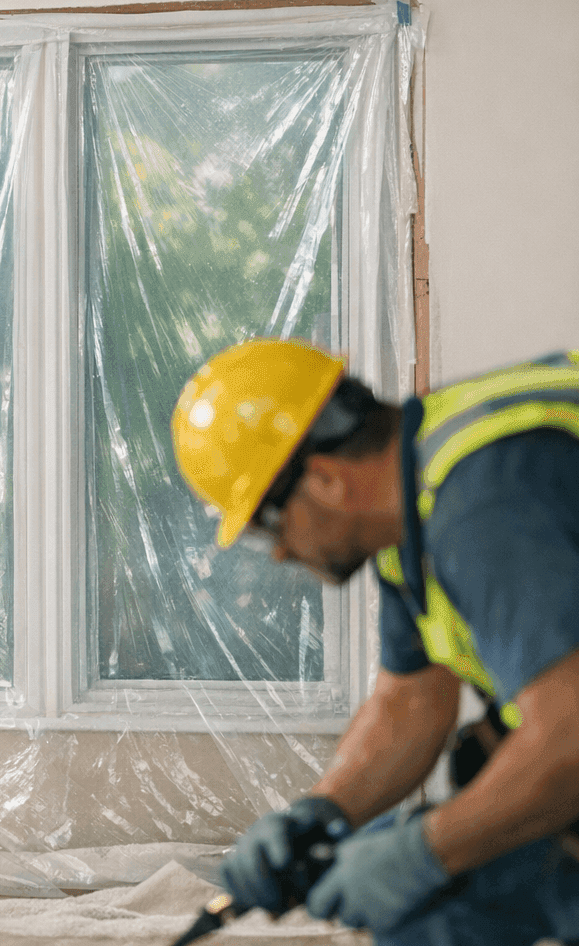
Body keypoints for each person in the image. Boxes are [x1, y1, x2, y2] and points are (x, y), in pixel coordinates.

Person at [169, 338, 579, 944]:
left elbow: (569, 735)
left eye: (267, 526)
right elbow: (410, 702)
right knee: (425, 897)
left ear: (327, 479)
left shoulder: (482, 508)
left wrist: (424, 852)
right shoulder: (417, 493)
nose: (279, 552)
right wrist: (321, 812)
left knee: (436, 890)